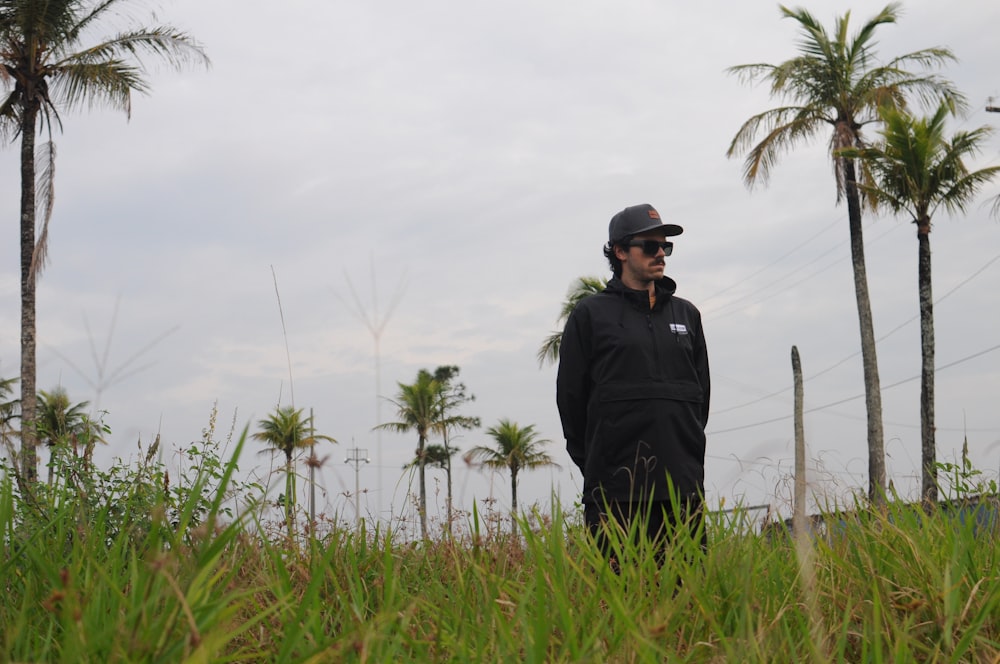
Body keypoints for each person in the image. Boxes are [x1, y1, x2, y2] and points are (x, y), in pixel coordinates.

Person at [556, 203, 710, 567]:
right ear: (621, 251)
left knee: (687, 602)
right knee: (618, 602)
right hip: (615, 495)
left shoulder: (687, 315)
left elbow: (699, 401)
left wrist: (685, 454)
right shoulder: (590, 315)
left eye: (666, 247)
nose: (661, 254)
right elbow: (571, 403)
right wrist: (599, 466)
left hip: (682, 491)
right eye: (650, 246)